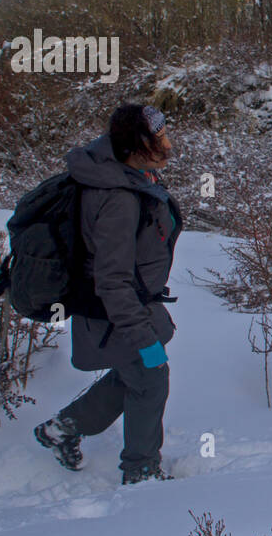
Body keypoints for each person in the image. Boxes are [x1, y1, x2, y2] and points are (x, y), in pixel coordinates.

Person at [33, 104, 183, 485]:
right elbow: (112, 280)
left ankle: (61, 430)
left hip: (122, 307)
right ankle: (141, 472)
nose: (169, 144)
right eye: (160, 138)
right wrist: (142, 335)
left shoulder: (125, 174)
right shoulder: (118, 198)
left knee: (135, 375)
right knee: (150, 379)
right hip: (113, 312)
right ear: (138, 145)